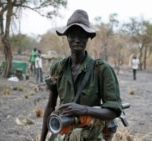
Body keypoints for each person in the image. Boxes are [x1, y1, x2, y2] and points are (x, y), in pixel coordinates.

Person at [40, 9, 122, 141]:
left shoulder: (102, 69)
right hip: (62, 132)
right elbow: (50, 106)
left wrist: (85, 110)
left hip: (90, 134)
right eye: (72, 35)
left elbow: (113, 111)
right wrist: (42, 138)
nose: (77, 40)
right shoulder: (58, 68)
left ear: (88, 38)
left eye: (82, 35)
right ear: (67, 37)